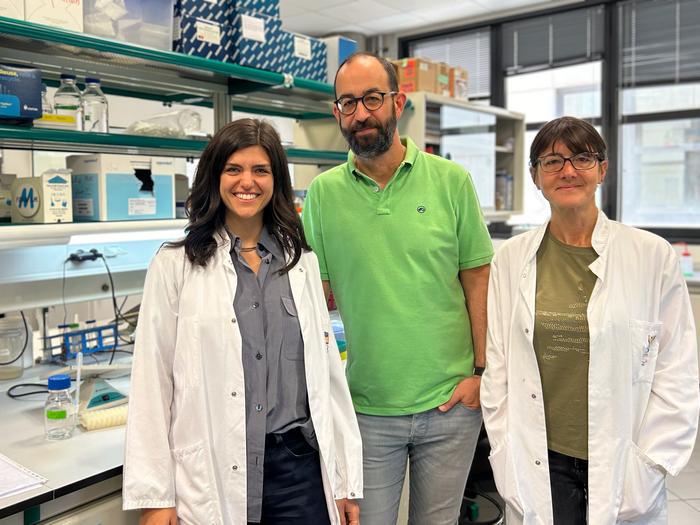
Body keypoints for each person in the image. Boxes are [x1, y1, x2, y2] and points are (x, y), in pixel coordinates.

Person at [122, 118, 363, 525]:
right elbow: (152, 382)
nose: (246, 182)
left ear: (276, 180)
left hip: (299, 472)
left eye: (260, 170)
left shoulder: (301, 263)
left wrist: (343, 482)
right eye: (233, 169)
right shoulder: (175, 265)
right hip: (214, 468)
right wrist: (156, 496)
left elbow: (327, 379)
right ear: (214, 176)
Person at [302, 52, 493, 525]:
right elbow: (313, 299)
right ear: (336, 112)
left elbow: (478, 280)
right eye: (348, 102)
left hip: (451, 405)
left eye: (372, 98)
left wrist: (481, 373)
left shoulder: (451, 181)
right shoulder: (323, 194)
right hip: (365, 408)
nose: (360, 113)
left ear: (398, 102)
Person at [481, 116, 700, 524]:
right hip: (540, 456)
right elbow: (499, 369)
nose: (567, 171)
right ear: (535, 176)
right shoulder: (510, 259)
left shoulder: (651, 255)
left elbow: (677, 371)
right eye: (552, 161)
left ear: (602, 169)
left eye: (582, 158)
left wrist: (651, 461)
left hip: (623, 456)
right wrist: (504, 449)